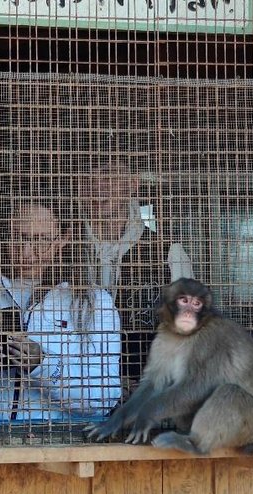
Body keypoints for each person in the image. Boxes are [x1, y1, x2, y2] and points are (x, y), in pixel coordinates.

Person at [0, 201, 122, 422]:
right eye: (18, 237)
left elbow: (104, 399)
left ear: (63, 239)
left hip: (58, 438)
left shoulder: (92, 301)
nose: (27, 252)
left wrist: (43, 366)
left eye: (41, 240)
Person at [75, 157, 193, 389]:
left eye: (109, 173)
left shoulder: (168, 253)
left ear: (132, 184)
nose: (98, 183)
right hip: (71, 395)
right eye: (88, 174)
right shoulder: (63, 249)